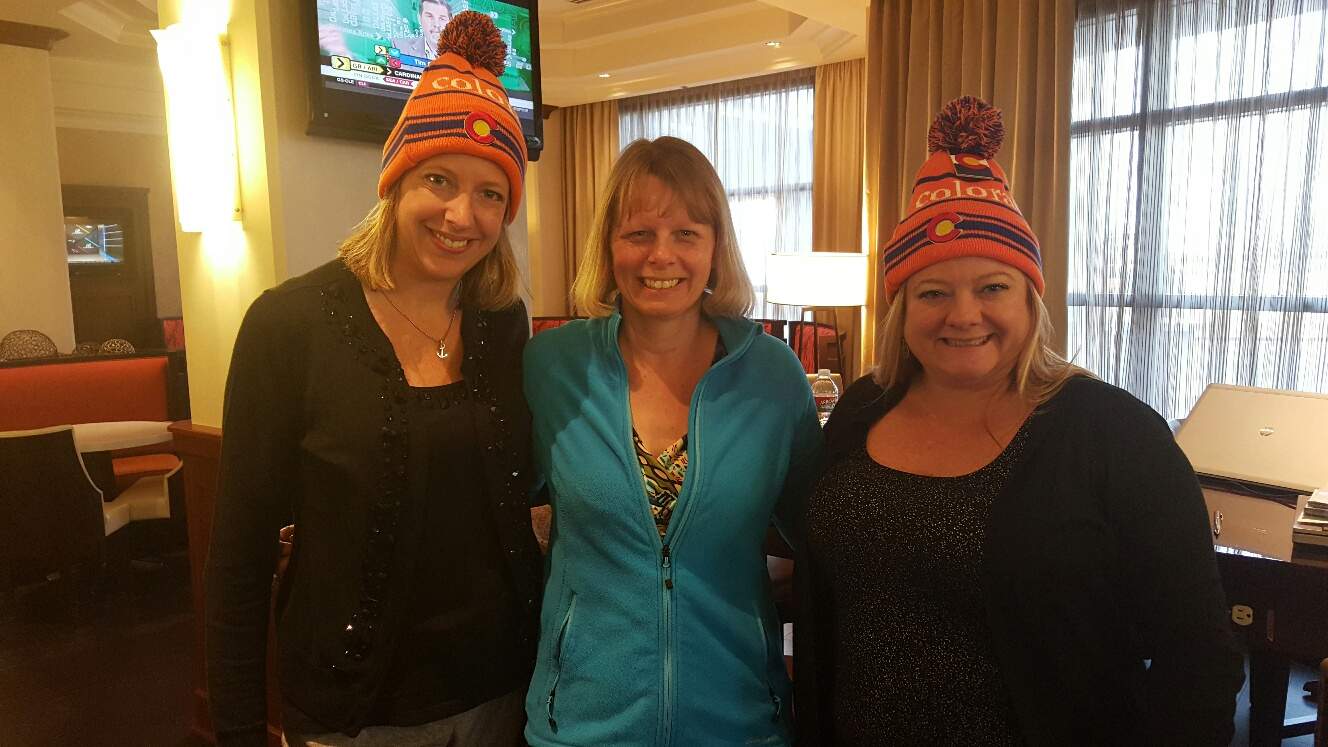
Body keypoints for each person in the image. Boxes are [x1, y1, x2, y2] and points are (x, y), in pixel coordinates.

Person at [794, 96, 1245, 746]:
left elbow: (1200, 659)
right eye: (933, 292)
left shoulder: (1114, 435)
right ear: (901, 307)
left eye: (992, 287)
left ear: (1031, 300)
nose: (964, 314)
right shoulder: (862, 408)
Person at [205, 13, 541, 747]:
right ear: (394, 183)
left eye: (492, 193)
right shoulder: (288, 325)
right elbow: (238, 558)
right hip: (355, 717)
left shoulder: (503, 322)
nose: (463, 214)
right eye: (440, 179)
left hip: (503, 699)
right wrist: (236, 729)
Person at [521, 136, 822, 746]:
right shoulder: (549, 366)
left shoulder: (773, 375)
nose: (662, 256)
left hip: (739, 720)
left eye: (687, 233)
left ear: (716, 249)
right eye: (639, 234)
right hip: (581, 724)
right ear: (609, 247)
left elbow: (818, 536)